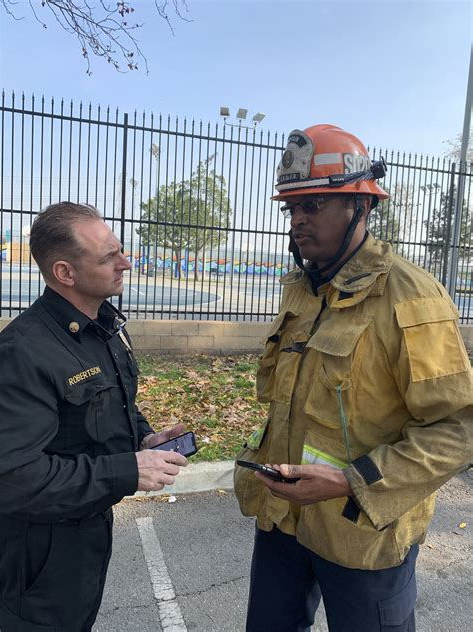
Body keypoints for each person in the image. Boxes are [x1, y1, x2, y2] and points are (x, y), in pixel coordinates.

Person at [234, 124, 473, 632]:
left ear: (360, 207)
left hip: (363, 530)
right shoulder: (303, 288)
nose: (298, 220)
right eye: (292, 208)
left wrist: (349, 481)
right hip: (283, 516)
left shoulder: (410, 296)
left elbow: (459, 428)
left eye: (314, 205)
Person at [0, 202, 188, 632]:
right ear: (65, 273)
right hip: (40, 552)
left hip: (89, 528)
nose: (126, 262)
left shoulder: (103, 325)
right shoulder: (22, 353)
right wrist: (126, 471)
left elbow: (116, 402)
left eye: (121, 251)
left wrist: (143, 440)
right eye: (109, 258)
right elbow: (12, 478)